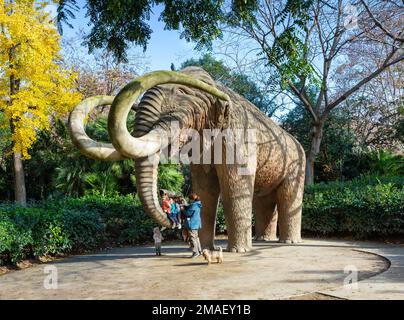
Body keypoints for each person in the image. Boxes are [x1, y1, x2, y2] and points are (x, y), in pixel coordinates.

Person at [182, 193, 202, 258]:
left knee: (193, 238)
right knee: (196, 237)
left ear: (192, 199)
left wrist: (183, 210)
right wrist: (185, 206)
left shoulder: (194, 205)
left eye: (189, 199)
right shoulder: (197, 204)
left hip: (192, 224)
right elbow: (189, 206)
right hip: (196, 224)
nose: (189, 200)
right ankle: (199, 251)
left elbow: (188, 213)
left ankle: (195, 252)